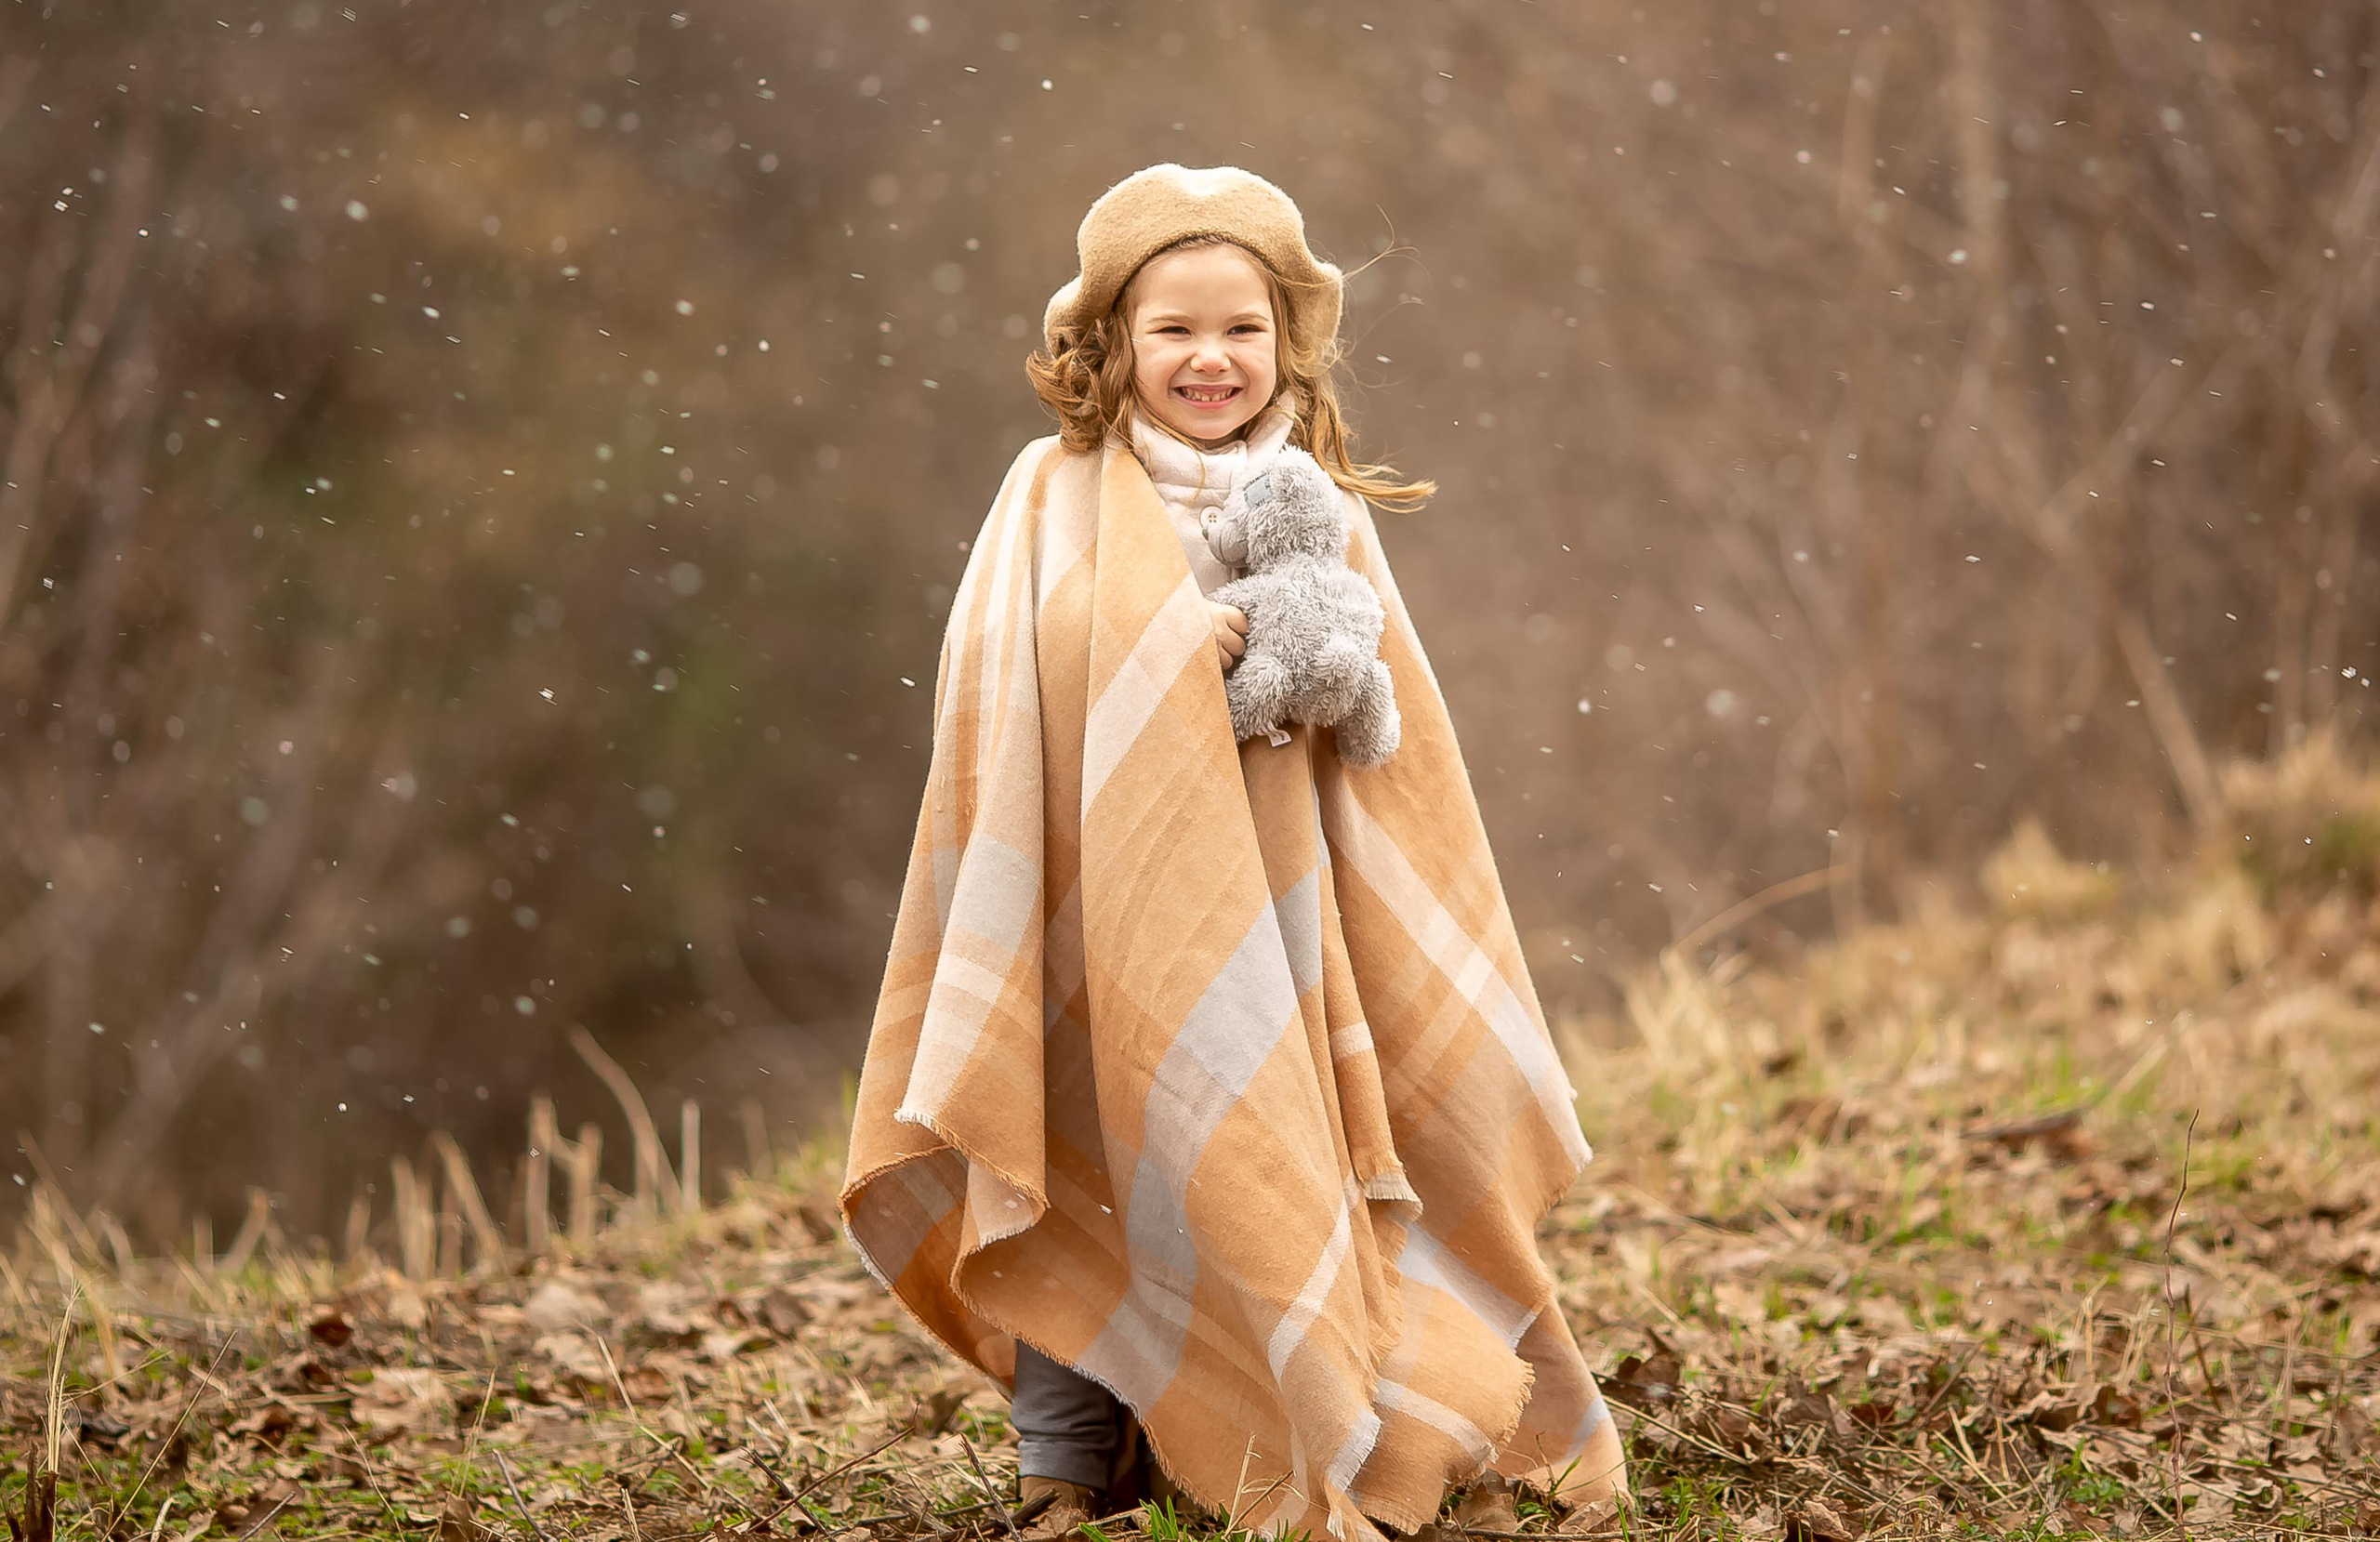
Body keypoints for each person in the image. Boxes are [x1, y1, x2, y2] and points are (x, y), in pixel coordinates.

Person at [840, 164, 1626, 1542]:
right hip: (1105, 893)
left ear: (1287, 344)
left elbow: (1395, 729)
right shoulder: (1055, 495)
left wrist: (1315, 672)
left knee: (1273, 1155)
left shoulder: (1318, 502)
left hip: (1290, 906)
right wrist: (1159, 657)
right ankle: (1064, 1466)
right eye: (1173, 332)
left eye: (1242, 331)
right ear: (1110, 348)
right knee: (1079, 1149)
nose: (1210, 360)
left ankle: (1318, 1415)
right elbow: (1004, 676)